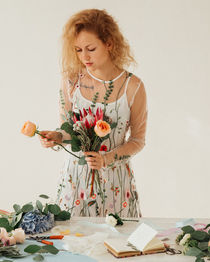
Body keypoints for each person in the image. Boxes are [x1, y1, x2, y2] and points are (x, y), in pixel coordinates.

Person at [39, 9, 147, 218]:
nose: (84, 56)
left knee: (118, 245)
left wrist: (106, 159)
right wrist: (58, 136)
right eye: (78, 50)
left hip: (116, 183)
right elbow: (68, 128)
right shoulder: (71, 80)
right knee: (71, 245)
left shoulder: (133, 86)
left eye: (90, 48)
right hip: (75, 181)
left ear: (109, 43)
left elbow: (137, 140)